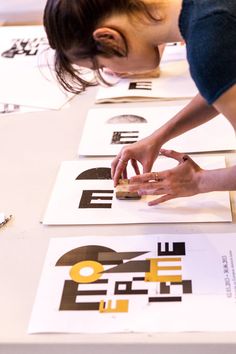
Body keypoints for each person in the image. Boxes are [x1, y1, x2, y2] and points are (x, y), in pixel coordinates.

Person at [43, 0, 236, 205]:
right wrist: (159, 137)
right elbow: (223, 85)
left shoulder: (209, 43)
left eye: (100, 64)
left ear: (109, 38)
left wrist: (198, 181)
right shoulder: (205, 16)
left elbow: (217, 72)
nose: (113, 71)